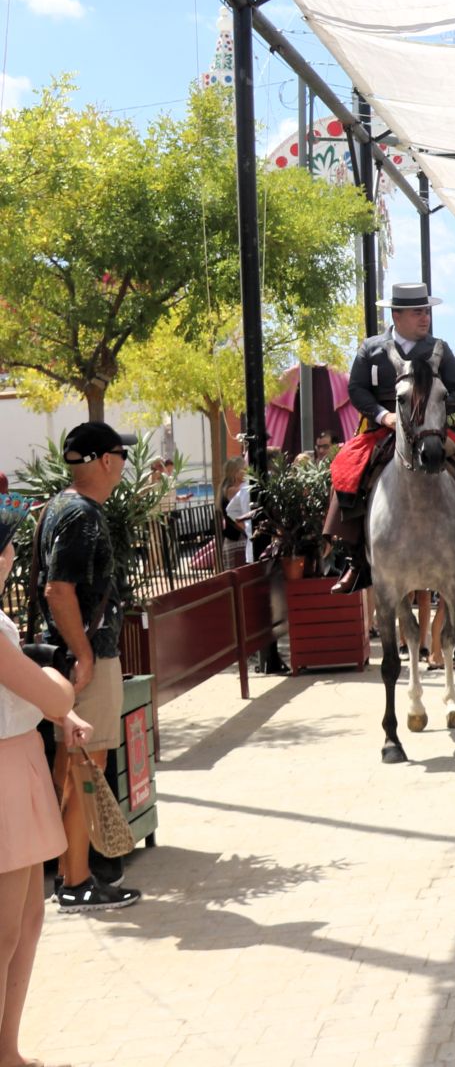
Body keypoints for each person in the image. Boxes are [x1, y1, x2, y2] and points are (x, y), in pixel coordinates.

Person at [326, 283, 455, 593]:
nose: (425, 318)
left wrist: (431, 409)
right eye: (418, 312)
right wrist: (385, 416)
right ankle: (354, 559)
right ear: (397, 315)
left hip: (432, 429)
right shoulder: (370, 349)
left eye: (427, 311)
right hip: (385, 428)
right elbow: (356, 390)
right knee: (347, 469)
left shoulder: (439, 348)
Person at [37, 423, 142, 913]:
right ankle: (77, 882)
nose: (123, 463)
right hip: (87, 658)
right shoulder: (81, 516)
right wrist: (83, 653)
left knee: (70, 767)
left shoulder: (60, 506)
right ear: (104, 460)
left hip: (71, 657)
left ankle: (68, 874)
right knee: (85, 769)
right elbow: (59, 590)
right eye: (121, 454)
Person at [1, 505, 93, 1060]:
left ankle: (7, 1048)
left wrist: (56, 706)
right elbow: (53, 691)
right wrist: (58, 688)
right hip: (7, 773)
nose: (12, 554)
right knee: (7, 930)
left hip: (19, 763)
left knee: (28, 921)